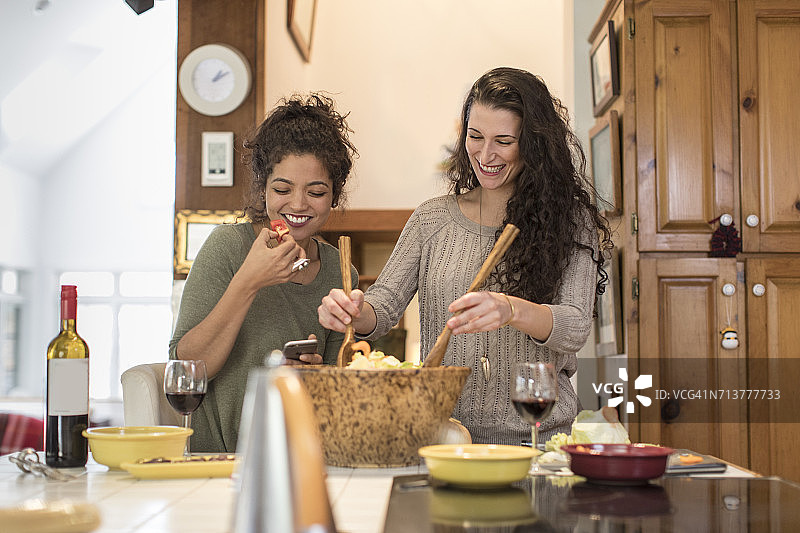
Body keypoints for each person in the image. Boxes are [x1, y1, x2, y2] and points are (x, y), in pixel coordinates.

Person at [318, 67, 612, 445]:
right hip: (445, 439)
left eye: (504, 141)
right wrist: (356, 312)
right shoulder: (432, 219)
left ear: (534, 145)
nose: (485, 154)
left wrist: (511, 309)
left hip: (537, 442)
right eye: (475, 136)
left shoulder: (572, 222)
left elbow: (573, 328)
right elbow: (384, 308)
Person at [170, 94, 358, 452]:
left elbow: (345, 397)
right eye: (282, 189)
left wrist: (311, 376)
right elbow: (188, 368)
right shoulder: (228, 247)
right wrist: (250, 279)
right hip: (219, 462)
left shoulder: (339, 270)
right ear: (262, 188)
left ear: (334, 195)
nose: (298, 204)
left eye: (316, 192)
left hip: (305, 459)